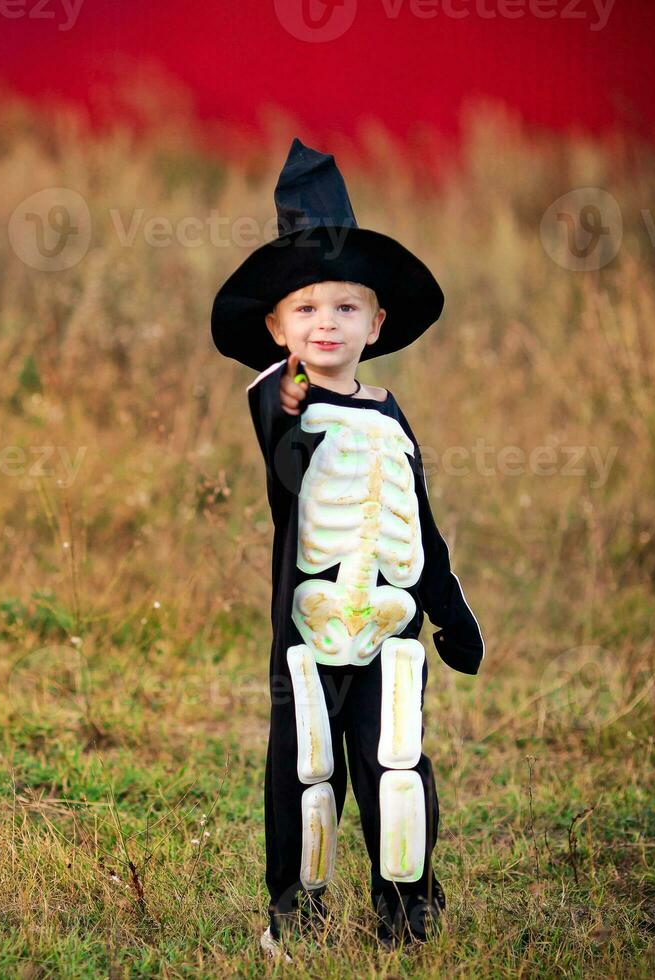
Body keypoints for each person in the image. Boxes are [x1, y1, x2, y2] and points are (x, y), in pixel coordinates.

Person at [211, 138, 485, 957]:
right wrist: (293, 381)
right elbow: (288, 452)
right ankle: (297, 914)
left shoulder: (392, 411)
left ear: (378, 321)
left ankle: (407, 912)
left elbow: (418, 520)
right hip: (312, 630)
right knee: (306, 774)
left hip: (392, 633)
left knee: (396, 770)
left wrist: (451, 609)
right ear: (274, 327)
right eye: (304, 309)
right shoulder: (276, 398)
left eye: (344, 307)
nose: (325, 323)